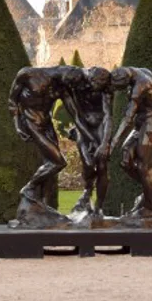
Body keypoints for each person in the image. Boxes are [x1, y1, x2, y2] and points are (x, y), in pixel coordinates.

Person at [104, 67, 152, 220]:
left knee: (144, 168)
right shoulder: (140, 72)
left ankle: (150, 208)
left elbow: (128, 118)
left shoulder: (140, 85)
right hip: (141, 125)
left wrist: (112, 142)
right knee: (126, 161)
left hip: (150, 126)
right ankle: (148, 191)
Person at [7, 66, 71, 204]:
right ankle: (29, 187)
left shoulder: (62, 86)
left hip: (47, 124)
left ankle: (45, 204)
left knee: (49, 165)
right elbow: (12, 102)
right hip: (31, 122)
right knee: (58, 162)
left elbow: (73, 110)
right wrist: (18, 126)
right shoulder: (28, 74)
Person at [59, 66, 113, 216]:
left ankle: (99, 207)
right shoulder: (75, 83)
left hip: (100, 127)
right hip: (83, 127)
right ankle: (87, 191)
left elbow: (108, 116)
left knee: (102, 166)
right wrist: (90, 139)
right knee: (88, 164)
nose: (96, 87)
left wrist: (104, 143)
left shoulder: (105, 88)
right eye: (95, 83)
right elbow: (76, 114)